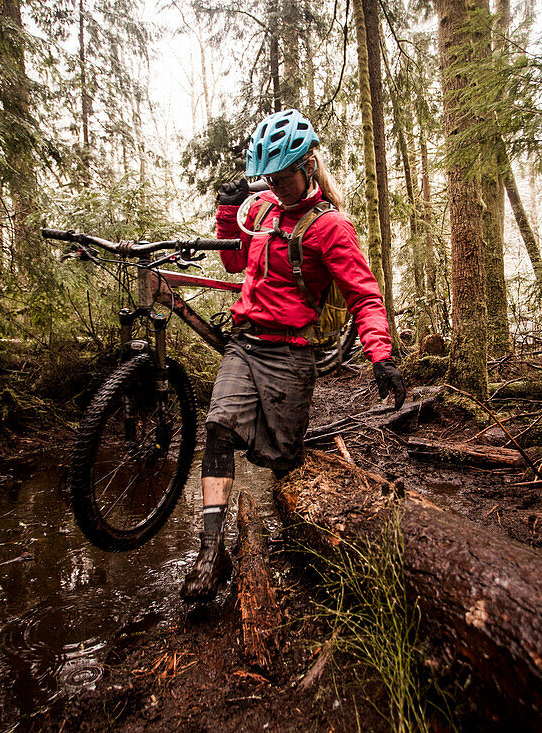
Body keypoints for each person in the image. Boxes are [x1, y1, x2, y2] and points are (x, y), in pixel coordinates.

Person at [181, 108, 405, 603]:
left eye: (283, 178)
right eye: (270, 178)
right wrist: (227, 212)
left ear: (306, 168)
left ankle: (308, 542)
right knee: (217, 428)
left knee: (281, 458)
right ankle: (211, 551)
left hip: (291, 353)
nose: (276, 187)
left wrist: (380, 356)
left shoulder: (331, 228)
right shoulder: (260, 209)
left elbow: (364, 296)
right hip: (245, 340)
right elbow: (235, 260)